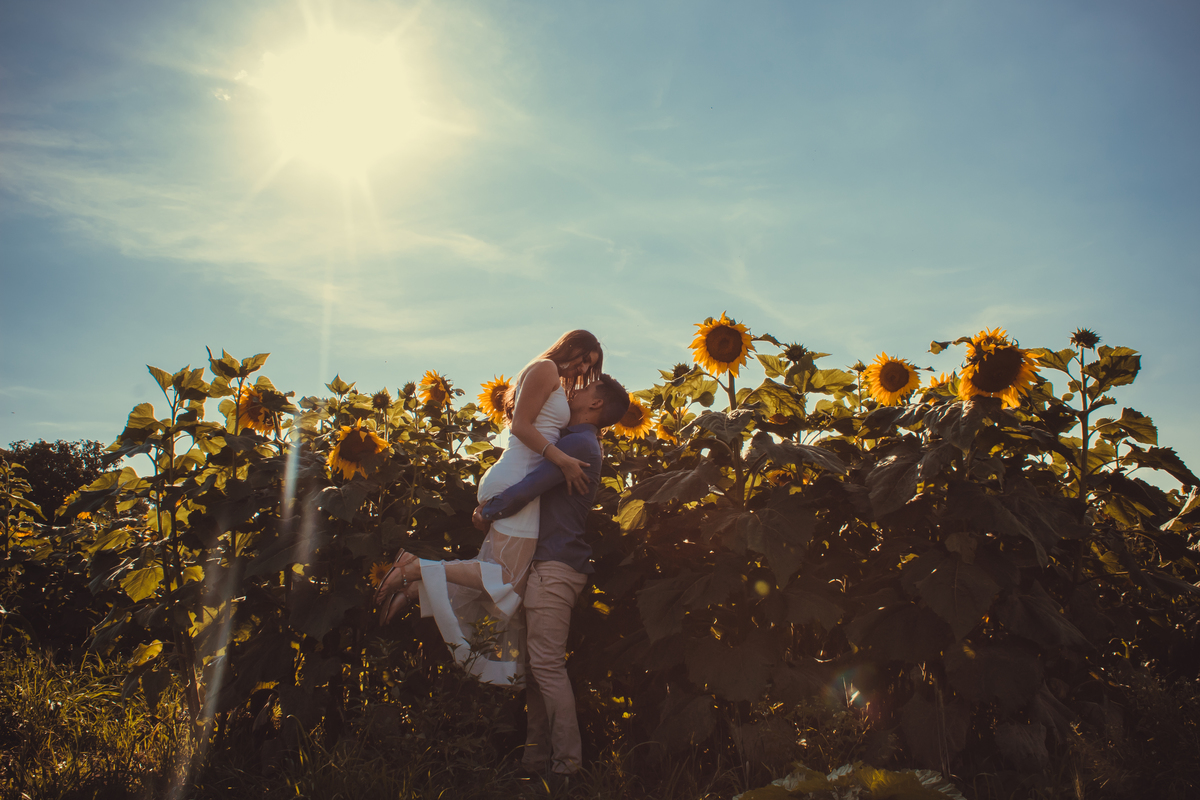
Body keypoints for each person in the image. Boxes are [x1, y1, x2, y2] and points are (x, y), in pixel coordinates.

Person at [374, 330, 603, 685]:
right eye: (582, 357)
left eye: (588, 367)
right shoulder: (544, 368)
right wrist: (562, 459)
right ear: (570, 345)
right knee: (507, 581)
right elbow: (522, 426)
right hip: (519, 480)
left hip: (519, 479)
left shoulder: (551, 378)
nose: (580, 368)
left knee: (496, 575)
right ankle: (416, 568)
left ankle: (413, 585)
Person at [472, 374, 631, 782]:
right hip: (551, 565)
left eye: (586, 389)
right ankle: (534, 760)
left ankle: (566, 769)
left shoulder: (578, 443)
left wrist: (486, 511)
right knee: (538, 668)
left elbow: (529, 487)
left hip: (555, 567)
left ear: (597, 405)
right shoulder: (576, 438)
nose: (575, 389)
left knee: (545, 667)